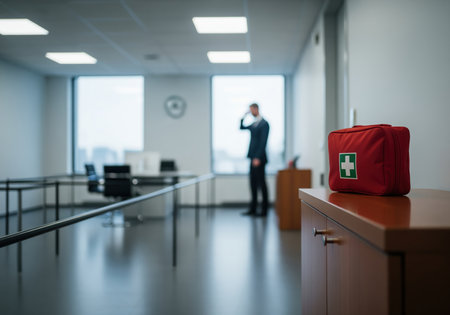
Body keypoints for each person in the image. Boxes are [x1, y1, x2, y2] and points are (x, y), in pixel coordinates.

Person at [240, 103, 270, 217]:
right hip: (252, 158)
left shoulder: (264, 124)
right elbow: (241, 127)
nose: (251, 112)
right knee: (252, 183)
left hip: (259, 159)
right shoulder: (254, 124)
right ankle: (253, 209)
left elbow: (263, 142)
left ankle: (264, 211)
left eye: (251, 110)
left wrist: (257, 157)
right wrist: (243, 116)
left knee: (261, 184)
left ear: (256, 109)